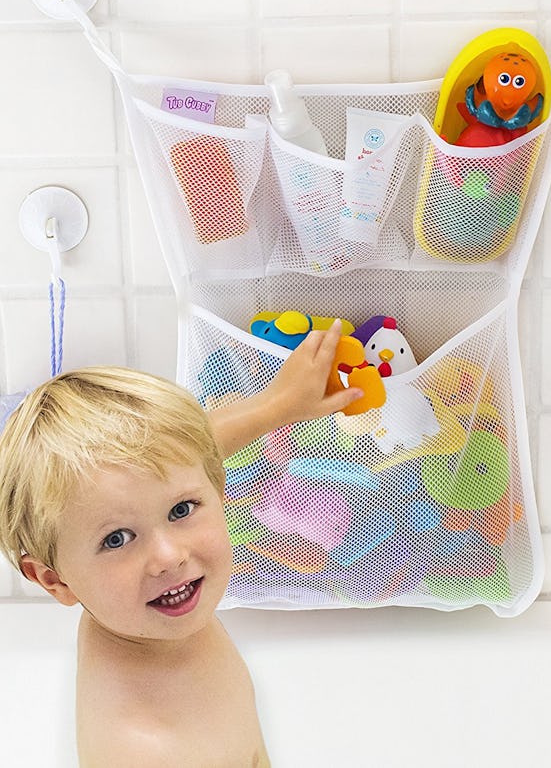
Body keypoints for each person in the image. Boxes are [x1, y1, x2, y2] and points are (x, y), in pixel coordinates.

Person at [0, 320, 362, 768]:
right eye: (117, 539)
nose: (170, 556)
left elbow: (195, 450)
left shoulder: (133, 610)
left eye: (181, 510)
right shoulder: (144, 751)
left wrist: (278, 405)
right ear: (54, 579)